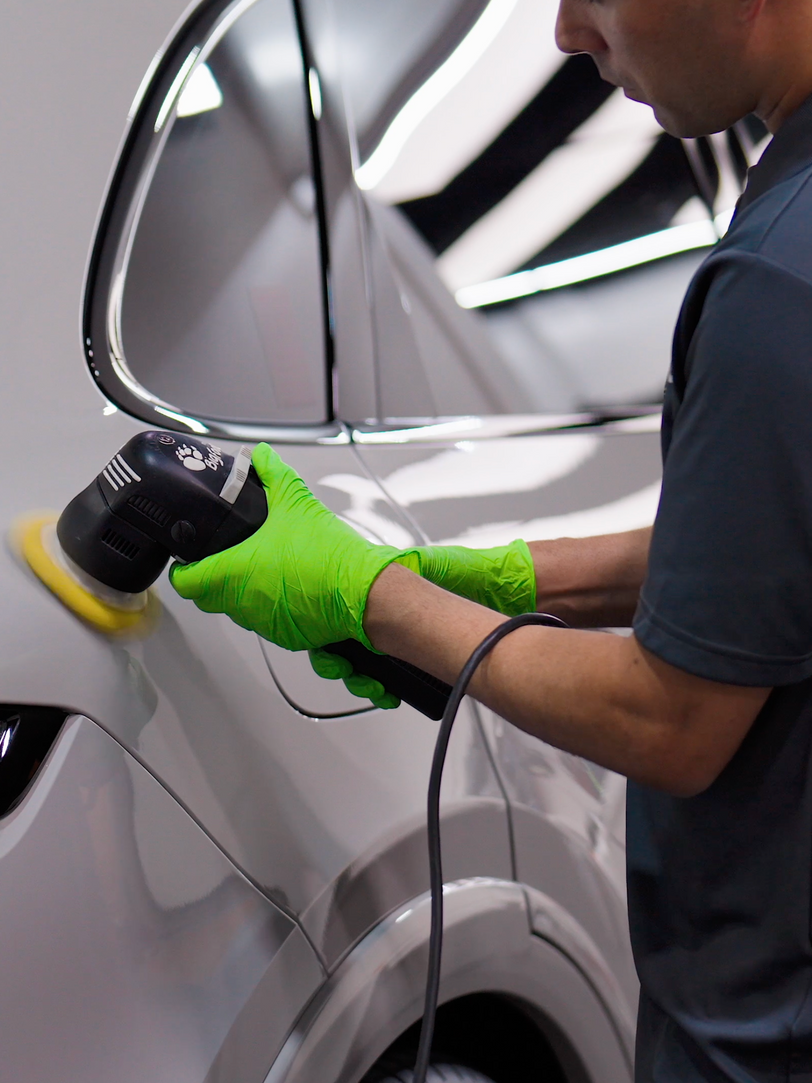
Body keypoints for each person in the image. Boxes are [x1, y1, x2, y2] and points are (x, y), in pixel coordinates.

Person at [170, 0, 812, 1078]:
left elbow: (672, 720)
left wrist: (372, 595)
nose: (565, 32)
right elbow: (760, 557)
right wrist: (509, 580)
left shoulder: (776, 283)